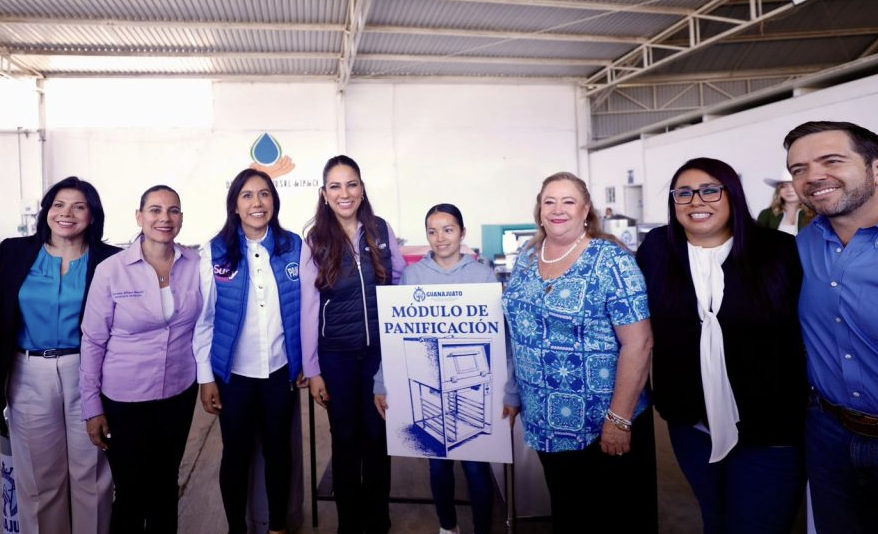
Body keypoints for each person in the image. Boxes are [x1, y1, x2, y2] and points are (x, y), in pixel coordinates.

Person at [636, 157, 807, 534]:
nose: (697, 201)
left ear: (732, 194)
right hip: (692, 424)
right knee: (715, 518)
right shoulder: (657, 251)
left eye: (710, 190)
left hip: (769, 428)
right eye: (684, 193)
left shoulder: (779, 252)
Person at [502, 172, 657, 534]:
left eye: (568, 201)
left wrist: (618, 420)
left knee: (609, 518)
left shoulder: (611, 261)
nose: (558, 210)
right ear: (539, 210)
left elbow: (640, 343)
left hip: (600, 422)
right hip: (545, 420)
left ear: (585, 209)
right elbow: (518, 331)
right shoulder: (527, 257)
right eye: (549, 201)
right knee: (569, 512)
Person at [372, 203, 520, 534]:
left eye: (448, 229)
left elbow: (503, 339)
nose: (440, 238)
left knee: (475, 468)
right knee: (438, 468)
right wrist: (381, 381)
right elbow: (395, 333)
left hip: (472, 381)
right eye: (433, 231)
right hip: (431, 383)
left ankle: (482, 528)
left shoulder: (483, 275)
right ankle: (447, 527)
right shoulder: (413, 275)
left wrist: (511, 390)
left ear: (462, 233)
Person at [80, 185, 201, 534]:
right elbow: (93, 340)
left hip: (178, 393)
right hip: (124, 399)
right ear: (139, 217)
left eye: (173, 210)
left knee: (166, 484)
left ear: (181, 218)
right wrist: (92, 407)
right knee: (132, 489)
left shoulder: (195, 265)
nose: (165, 218)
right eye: (155, 210)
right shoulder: (112, 269)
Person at [0, 176, 117, 534]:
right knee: (38, 479)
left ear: (92, 216)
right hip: (28, 371)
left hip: (89, 372)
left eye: (79, 206)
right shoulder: (12, 252)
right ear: (47, 211)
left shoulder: (111, 260)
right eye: (59, 205)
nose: (67, 213)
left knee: (92, 474)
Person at [193, 168, 306, 534]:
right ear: (235, 206)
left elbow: (305, 309)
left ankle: (277, 527)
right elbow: (204, 321)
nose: (257, 202)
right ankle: (236, 528)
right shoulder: (214, 253)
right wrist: (206, 378)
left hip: (279, 372)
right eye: (247, 195)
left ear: (274, 201)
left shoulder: (294, 248)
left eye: (264, 194)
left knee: (278, 453)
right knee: (236, 456)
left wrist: (304, 362)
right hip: (234, 376)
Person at [301, 155, 406, 534]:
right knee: (345, 439)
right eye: (336, 186)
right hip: (337, 356)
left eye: (352, 184)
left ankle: (378, 520)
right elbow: (310, 308)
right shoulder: (315, 240)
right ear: (324, 194)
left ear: (361, 189)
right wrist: (312, 370)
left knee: (377, 437)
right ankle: (349, 523)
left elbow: (398, 284)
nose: (344, 193)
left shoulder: (380, 230)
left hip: (378, 354)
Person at [784, 120, 878, 534]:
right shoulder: (803, 245)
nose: (813, 177)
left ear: (876, 167)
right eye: (798, 168)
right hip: (828, 432)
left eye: (832, 161)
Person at [756, 171, 814, 235]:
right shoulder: (766, 214)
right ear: (778, 191)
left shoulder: (814, 213)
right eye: (783, 186)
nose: (789, 190)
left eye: (793, 185)